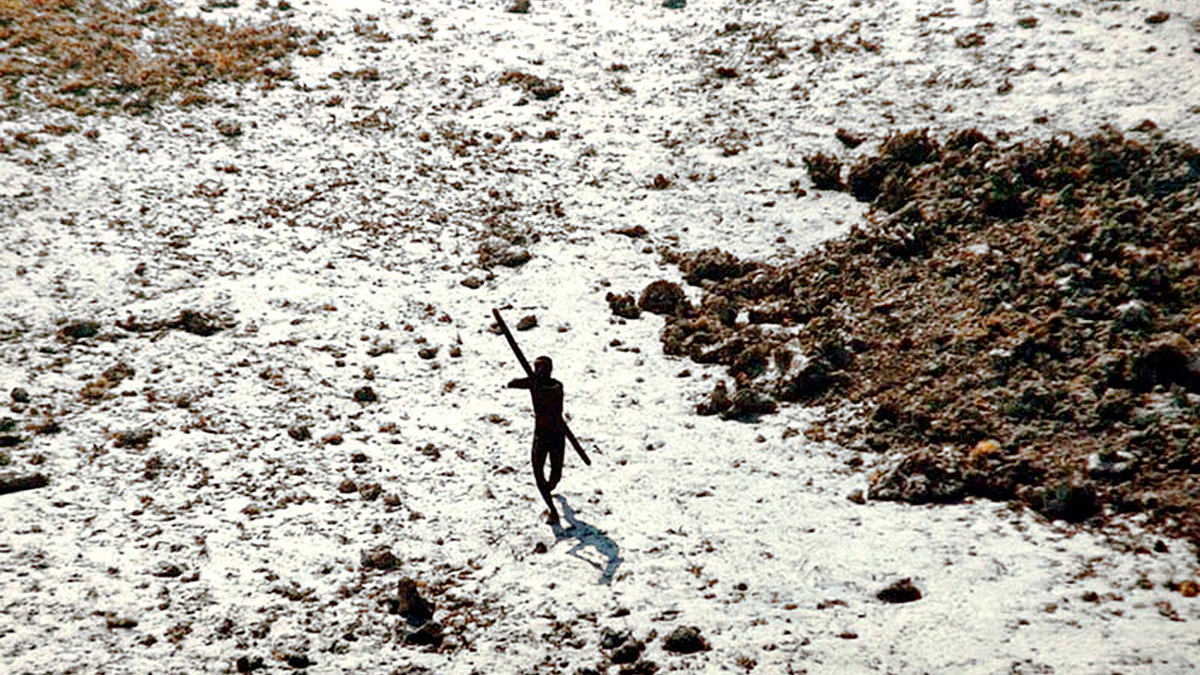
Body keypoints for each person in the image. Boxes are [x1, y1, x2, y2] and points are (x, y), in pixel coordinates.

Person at [506, 355, 566, 525]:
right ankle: (552, 509)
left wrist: (533, 382)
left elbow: (549, 394)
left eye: (542, 368)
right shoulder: (534, 383)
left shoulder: (556, 386)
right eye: (536, 368)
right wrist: (528, 381)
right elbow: (513, 383)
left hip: (556, 434)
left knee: (555, 476)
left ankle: (548, 489)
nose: (539, 372)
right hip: (540, 435)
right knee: (538, 472)